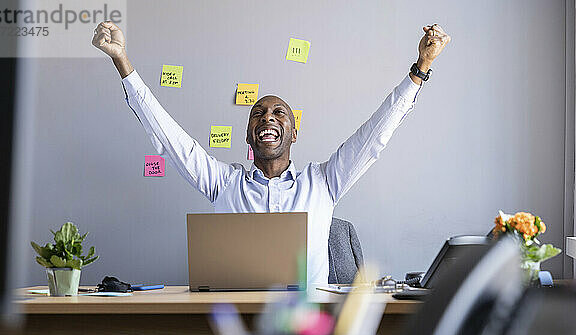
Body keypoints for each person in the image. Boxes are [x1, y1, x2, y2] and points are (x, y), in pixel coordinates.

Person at [92, 22, 450, 284]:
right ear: (249, 136)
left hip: (309, 322)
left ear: (294, 133)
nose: (268, 117)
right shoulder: (223, 182)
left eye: (280, 113)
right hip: (236, 315)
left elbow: (374, 136)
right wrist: (122, 61)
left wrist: (420, 69)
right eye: (258, 113)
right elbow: (168, 137)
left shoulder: (325, 180)